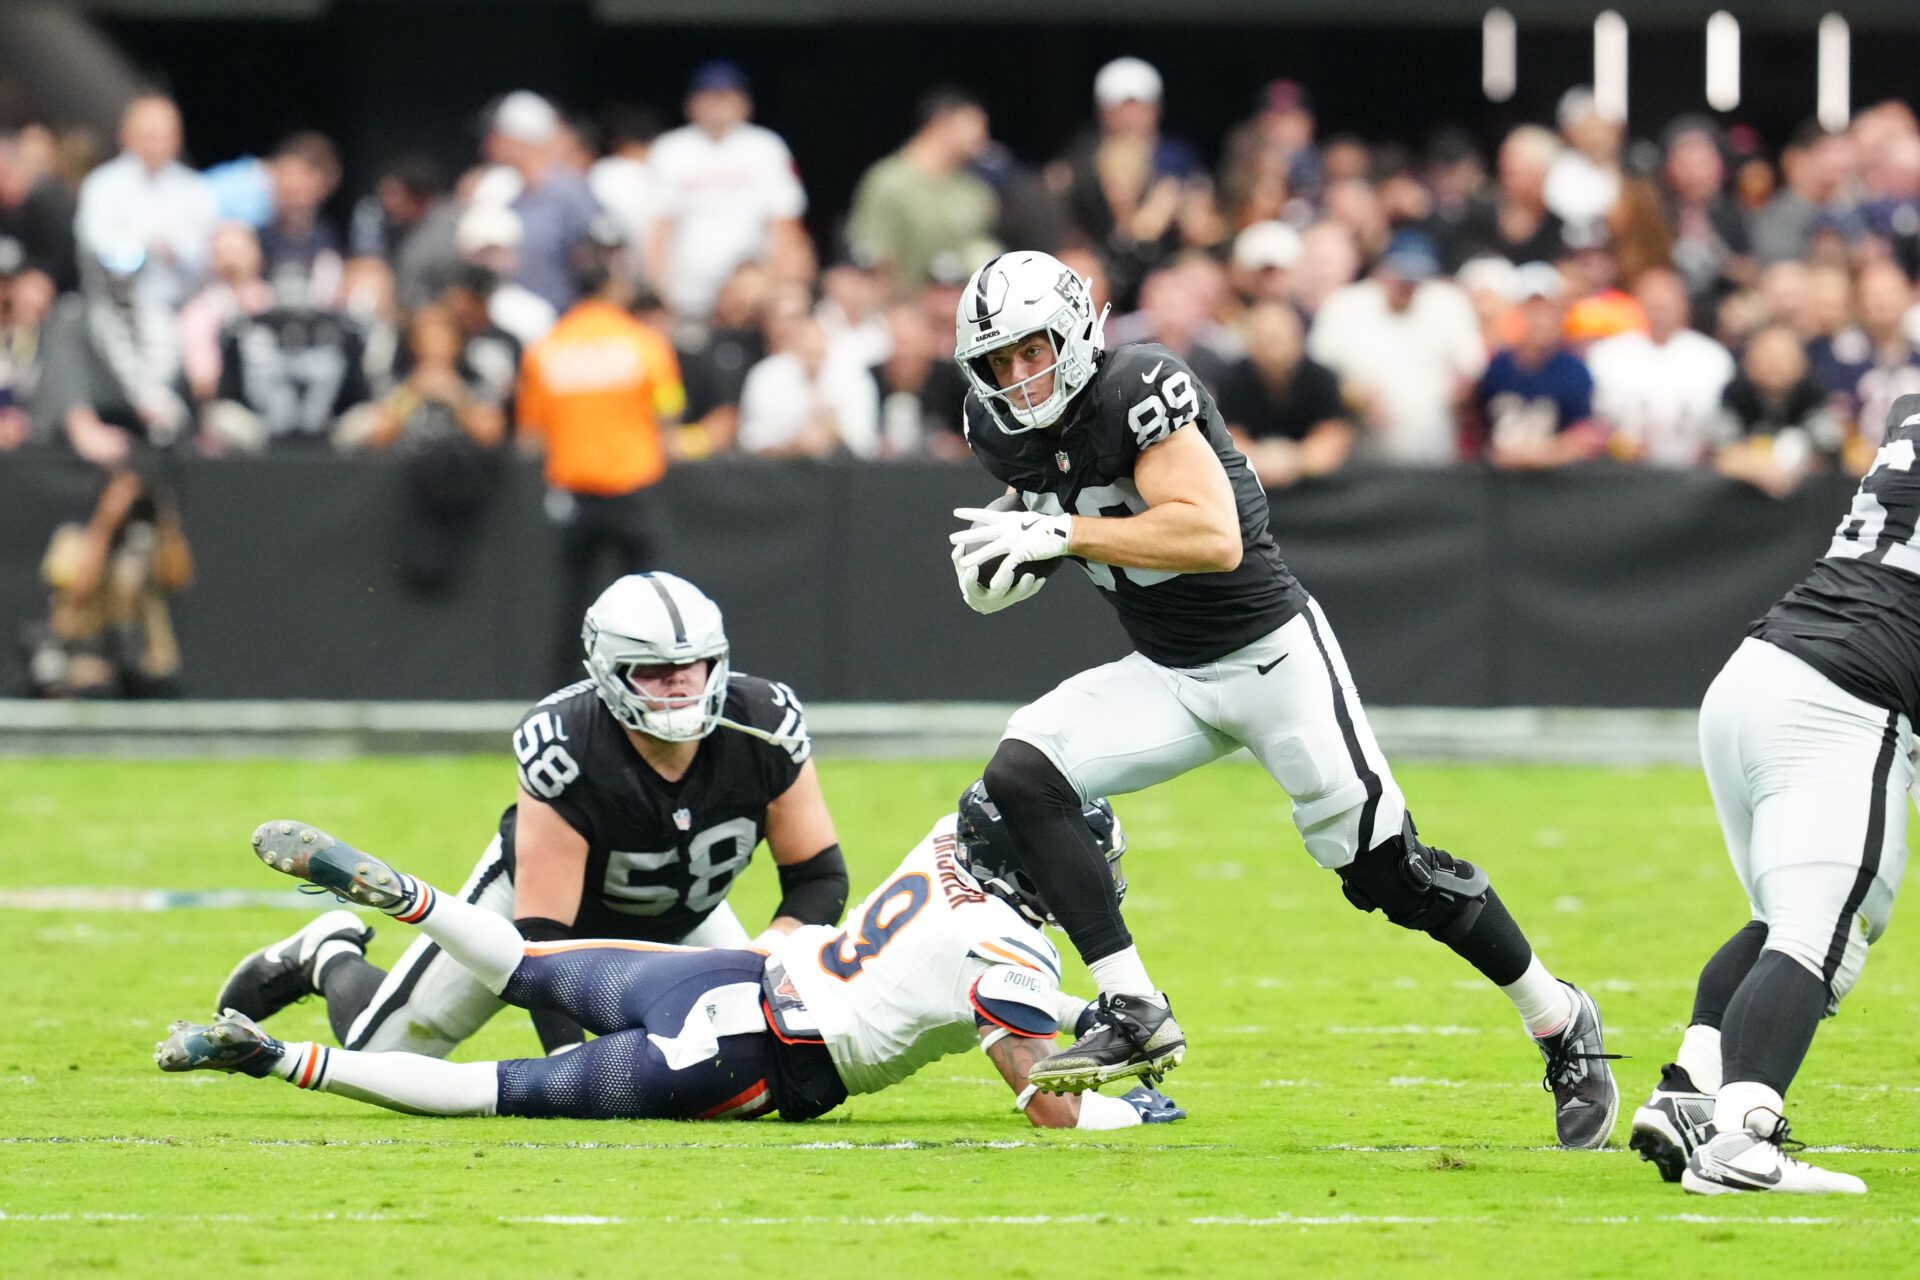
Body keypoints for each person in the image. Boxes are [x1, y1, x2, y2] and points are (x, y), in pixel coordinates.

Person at [943, 250, 1617, 1147]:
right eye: (999, 363)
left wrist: (1060, 532)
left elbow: (1211, 536)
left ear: (1073, 331)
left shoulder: (1142, 384)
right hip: (1170, 673)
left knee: (1391, 875)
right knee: (1023, 776)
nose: (1018, 378)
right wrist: (1012, 547)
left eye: (1032, 351)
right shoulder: (1006, 430)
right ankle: (1133, 1002)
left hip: (1270, 661)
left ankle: (1560, 1018)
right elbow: (1041, 492)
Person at [161, 781, 1184, 1129]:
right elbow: (1048, 1099)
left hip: (730, 974)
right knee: (487, 1088)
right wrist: (1125, 1104)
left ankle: (408, 894)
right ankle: (276, 1057)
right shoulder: (1009, 947)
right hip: (753, 1059)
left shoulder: (951, 839)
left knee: (519, 962)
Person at [214, 573, 850, 1060]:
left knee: (748, 1055)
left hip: (685, 908)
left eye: (693, 667)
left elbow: (819, 878)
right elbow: (542, 939)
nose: (680, 686)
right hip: (525, 913)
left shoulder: (763, 727)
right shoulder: (566, 743)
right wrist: (573, 1063)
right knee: (384, 1051)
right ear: (609, 672)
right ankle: (328, 952)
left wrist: (763, 962)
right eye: (654, 673)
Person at [1627, 394, 1920, 1196]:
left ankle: (1691, 1090)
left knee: (1787, 920)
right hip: (1841, 698)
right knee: (1824, 933)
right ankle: (1742, 1141)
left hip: (1761, 672)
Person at [516, 224, 684, 684]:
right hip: (634, 488)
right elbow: (668, 417)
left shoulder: (546, 350)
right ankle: (656, 690)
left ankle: (565, 701)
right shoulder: (646, 345)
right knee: (652, 604)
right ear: (613, 288)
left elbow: (531, 434)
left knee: (574, 605)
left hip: (575, 494)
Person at [647, 61, 810, 322]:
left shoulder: (766, 147)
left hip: (751, 293)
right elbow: (659, 227)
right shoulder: (670, 150)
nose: (717, 106)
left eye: (725, 97)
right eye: (709, 97)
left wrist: (774, 281)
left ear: (744, 103)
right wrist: (659, 289)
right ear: (692, 104)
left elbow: (786, 225)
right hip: (687, 295)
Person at [845, 86, 997, 296]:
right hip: (906, 315)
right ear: (942, 122)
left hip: (967, 315)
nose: (982, 135)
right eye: (974, 123)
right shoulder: (889, 183)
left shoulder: (974, 189)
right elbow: (874, 262)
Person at [73, 94, 218, 310]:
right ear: (125, 135)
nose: (155, 144)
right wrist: (144, 248)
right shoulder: (102, 185)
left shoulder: (195, 188)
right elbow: (94, 242)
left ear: (177, 139)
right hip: (119, 307)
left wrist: (177, 251)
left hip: (184, 308)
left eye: (163, 136)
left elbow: (208, 248)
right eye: (148, 135)